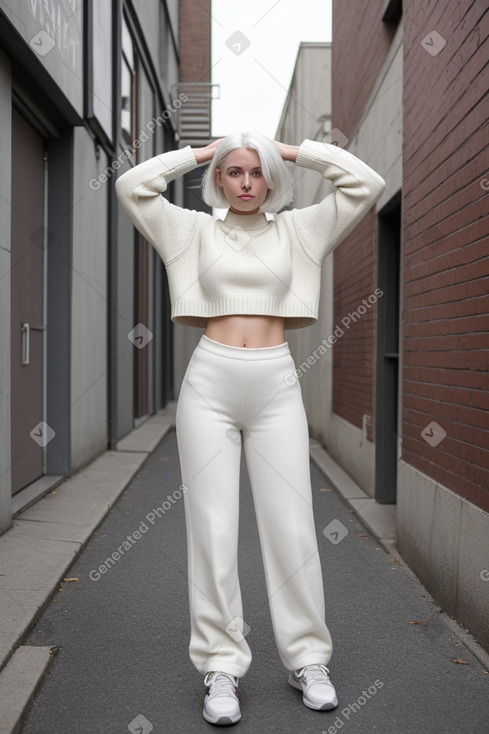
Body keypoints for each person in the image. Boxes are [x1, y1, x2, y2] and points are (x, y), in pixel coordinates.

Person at [115, 131, 385, 726]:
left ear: (270, 180)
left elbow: (366, 183)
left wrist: (292, 150)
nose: (243, 182)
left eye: (254, 172)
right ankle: (221, 666)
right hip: (209, 383)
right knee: (212, 527)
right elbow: (131, 186)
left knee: (291, 524)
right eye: (232, 172)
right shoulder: (192, 230)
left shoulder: (300, 230)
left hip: (276, 383)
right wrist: (200, 151)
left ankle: (308, 659)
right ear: (217, 180)